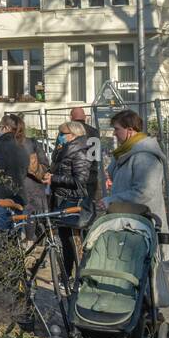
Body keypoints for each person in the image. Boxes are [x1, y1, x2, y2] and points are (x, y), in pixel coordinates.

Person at [106, 109, 169, 307]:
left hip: (145, 224)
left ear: (130, 130)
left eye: (116, 129)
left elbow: (144, 192)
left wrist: (113, 200)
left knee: (148, 273)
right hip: (130, 221)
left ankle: (152, 313)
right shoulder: (128, 153)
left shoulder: (145, 156)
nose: (114, 134)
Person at [43, 120, 93, 282]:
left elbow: (80, 180)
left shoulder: (79, 152)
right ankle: (66, 275)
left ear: (74, 135)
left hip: (72, 201)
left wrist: (54, 178)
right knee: (65, 242)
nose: (59, 137)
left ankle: (80, 278)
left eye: (62, 134)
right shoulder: (63, 151)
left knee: (74, 242)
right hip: (61, 199)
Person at [0, 113, 31, 233]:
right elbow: (24, 170)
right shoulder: (22, 146)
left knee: (0, 236)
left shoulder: (1, 145)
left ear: (5, 128)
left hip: (2, 196)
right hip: (19, 197)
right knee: (15, 236)